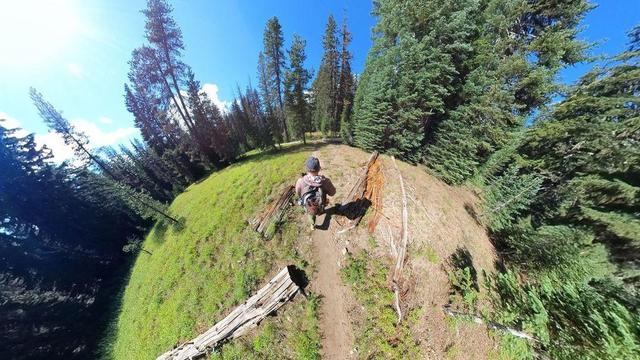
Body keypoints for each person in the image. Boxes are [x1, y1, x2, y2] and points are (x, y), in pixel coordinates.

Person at [295, 156, 336, 229]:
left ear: (306, 169)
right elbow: (332, 193)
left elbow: (298, 192)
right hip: (321, 203)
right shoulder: (325, 181)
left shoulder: (300, 181)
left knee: (311, 214)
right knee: (322, 205)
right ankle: (320, 212)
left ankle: (312, 224)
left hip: (309, 205)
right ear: (319, 169)